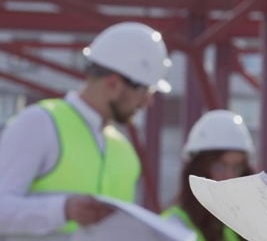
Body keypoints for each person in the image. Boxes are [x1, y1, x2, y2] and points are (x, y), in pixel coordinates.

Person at [0, 21, 172, 238]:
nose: (148, 102)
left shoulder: (125, 152)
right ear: (113, 83)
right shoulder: (39, 123)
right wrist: (63, 210)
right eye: (146, 90)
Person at [162, 109, 256, 241]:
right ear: (198, 170)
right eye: (220, 166)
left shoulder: (241, 228)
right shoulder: (173, 227)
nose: (229, 176)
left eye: (236, 167)